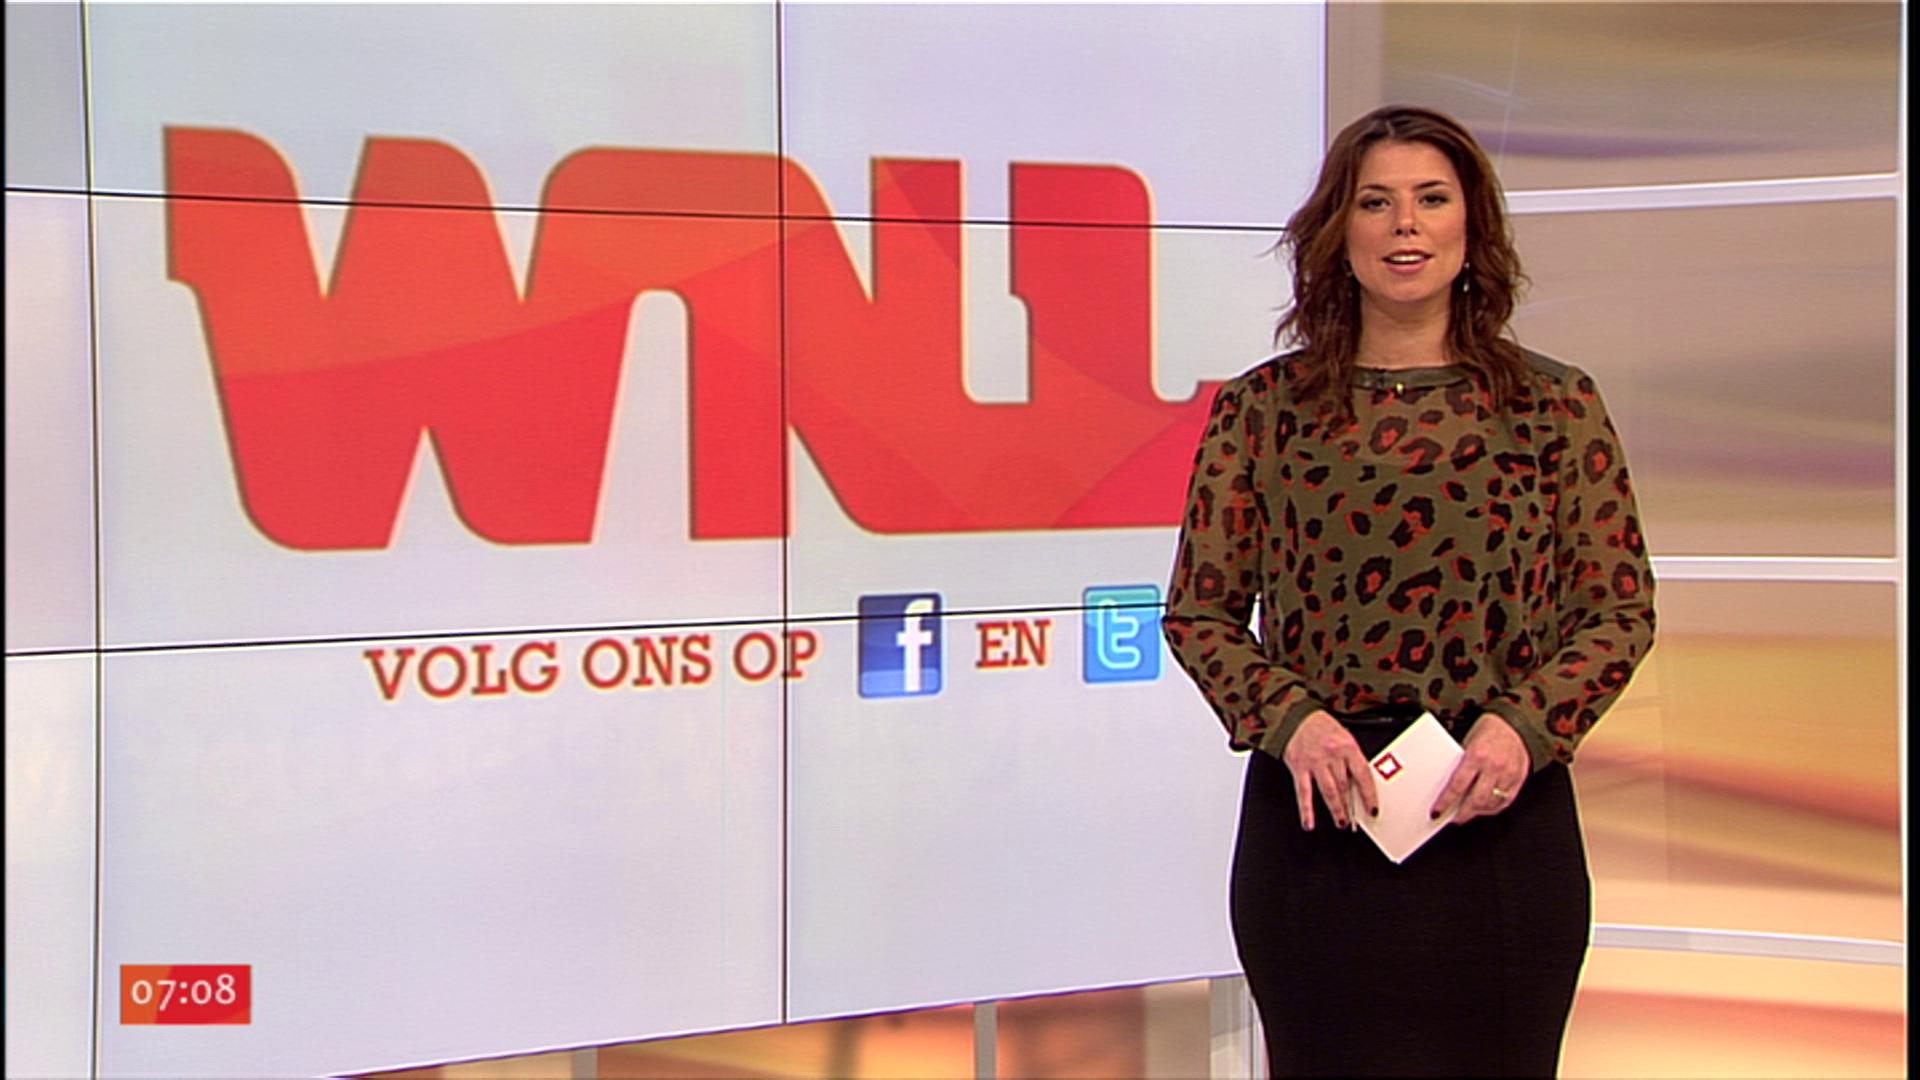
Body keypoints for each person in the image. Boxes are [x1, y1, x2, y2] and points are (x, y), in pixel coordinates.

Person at [1161, 104, 1656, 1078]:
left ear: (1472, 226)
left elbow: (1617, 610)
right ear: (1337, 232)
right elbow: (1201, 613)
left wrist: (1524, 729)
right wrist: (1294, 723)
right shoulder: (1264, 410)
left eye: (1431, 199)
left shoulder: (1553, 406)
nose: (1405, 226)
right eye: (1375, 202)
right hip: (1321, 823)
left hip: (1498, 815)